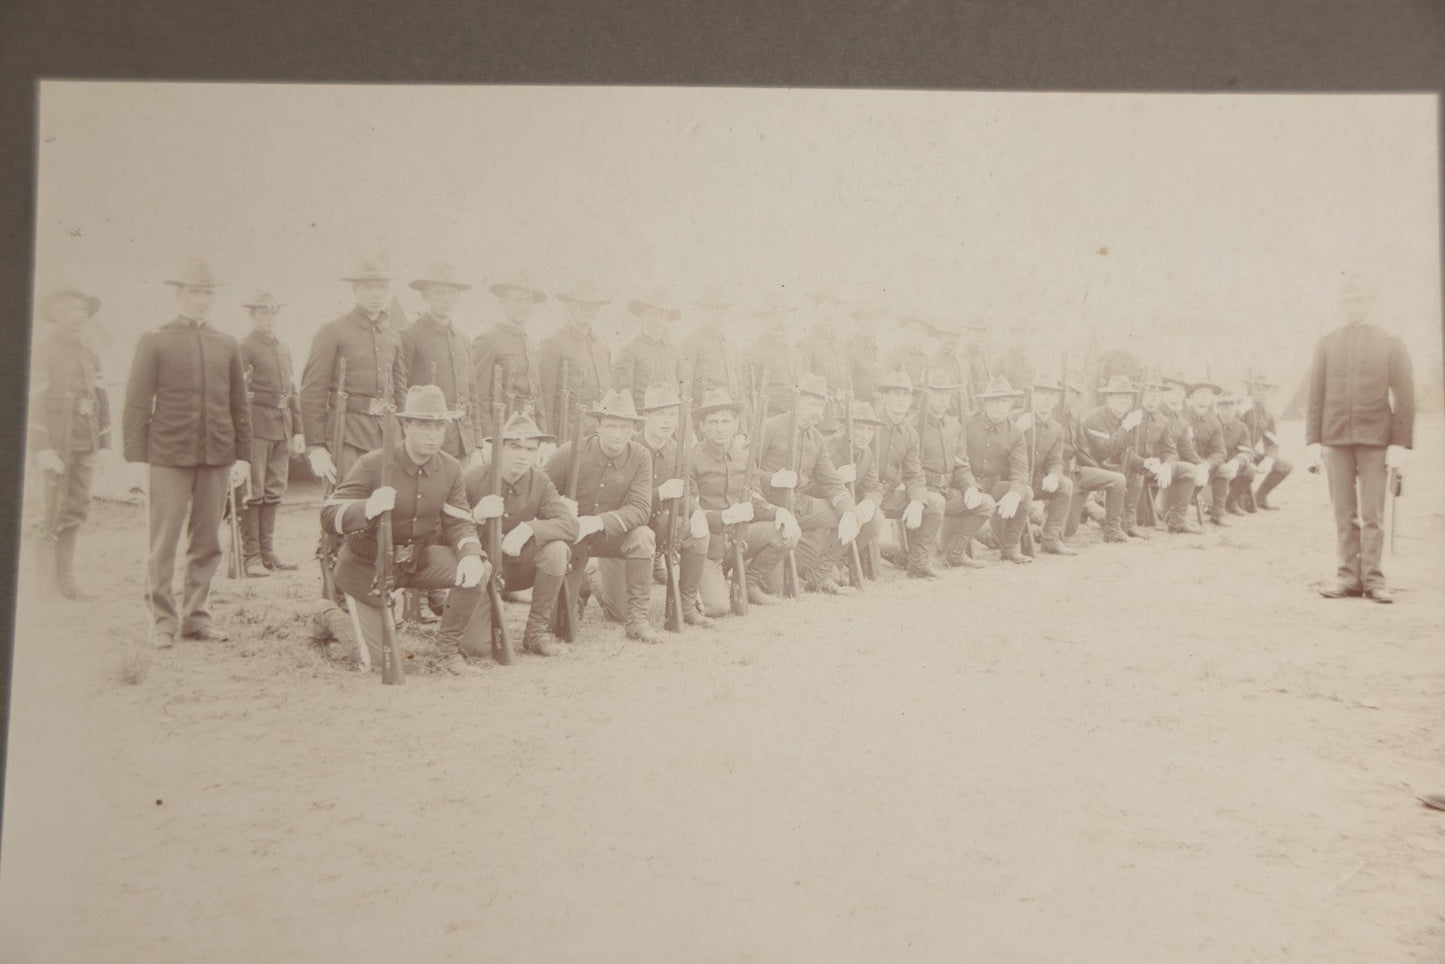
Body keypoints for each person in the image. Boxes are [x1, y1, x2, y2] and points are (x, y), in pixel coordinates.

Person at [123, 259, 252, 647]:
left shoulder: (227, 343)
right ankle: (163, 621)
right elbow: (137, 401)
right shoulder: (155, 340)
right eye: (195, 292)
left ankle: (196, 618)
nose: (202, 299)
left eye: (208, 293)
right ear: (180, 294)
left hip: (217, 455)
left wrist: (243, 456)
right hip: (168, 454)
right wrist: (136, 460)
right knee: (163, 541)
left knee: (208, 541)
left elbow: (239, 405)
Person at [320, 385, 488, 674]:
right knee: (376, 662)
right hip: (367, 567)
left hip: (415, 561)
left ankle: (447, 651)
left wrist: (471, 553)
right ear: (406, 425)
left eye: (439, 426)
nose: (433, 435)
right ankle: (326, 615)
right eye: (424, 425)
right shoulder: (373, 463)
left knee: (479, 568)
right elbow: (328, 513)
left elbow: (459, 521)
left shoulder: (450, 468)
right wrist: (367, 508)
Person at [1306, 274, 1415, 603]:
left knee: (1373, 515)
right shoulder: (1327, 342)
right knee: (1343, 513)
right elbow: (1315, 394)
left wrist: (1399, 443)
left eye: (1359, 300)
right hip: (1334, 437)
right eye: (1346, 301)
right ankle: (1347, 578)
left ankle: (1373, 580)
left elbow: (1405, 396)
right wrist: (1313, 441)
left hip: (1376, 438)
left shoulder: (1391, 341)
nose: (1352, 306)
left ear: (1369, 303)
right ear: (1340, 305)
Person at [458, 412, 579, 660]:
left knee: (557, 550)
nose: (523, 455)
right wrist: (475, 516)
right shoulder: (471, 478)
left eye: (530, 449)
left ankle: (536, 634)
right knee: (476, 648)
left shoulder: (540, 481)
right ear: (499, 448)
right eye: (515, 447)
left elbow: (570, 525)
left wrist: (530, 528)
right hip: (480, 571)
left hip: (518, 569)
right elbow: (443, 531)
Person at [543, 390, 660, 642]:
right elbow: (540, 491)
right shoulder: (569, 451)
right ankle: (580, 583)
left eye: (624, 427)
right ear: (598, 426)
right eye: (610, 426)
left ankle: (637, 619)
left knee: (643, 536)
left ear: (633, 429)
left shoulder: (640, 456)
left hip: (611, 536)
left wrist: (597, 522)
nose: (617, 434)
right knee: (558, 627)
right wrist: (559, 506)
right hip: (573, 541)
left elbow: (640, 508)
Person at [593, 383, 713, 626]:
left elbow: (686, 491)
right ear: (646, 416)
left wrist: (697, 512)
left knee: (698, 531)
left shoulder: (678, 451)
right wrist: (660, 493)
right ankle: (592, 576)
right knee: (621, 614)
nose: (667, 421)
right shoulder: (626, 446)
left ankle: (687, 605)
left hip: (657, 527)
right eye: (660, 414)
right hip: (623, 534)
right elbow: (618, 502)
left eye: (672, 414)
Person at [28, 285, 111, 599]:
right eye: (71, 310)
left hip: (84, 441)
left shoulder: (89, 350)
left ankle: (67, 581)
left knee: (76, 509)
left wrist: (105, 444)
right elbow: (33, 401)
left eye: (82, 311)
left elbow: (101, 398)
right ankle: (46, 586)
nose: (78, 317)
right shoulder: (44, 349)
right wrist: (42, 448)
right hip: (56, 444)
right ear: (57, 314)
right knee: (51, 511)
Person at [299, 255, 409, 488]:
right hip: (348, 435)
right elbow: (312, 391)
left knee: (389, 502)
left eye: (382, 287)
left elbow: (400, 391)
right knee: (348, 500)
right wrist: (316, 446)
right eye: (369, 287)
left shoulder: (392, 336)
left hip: (388, 435)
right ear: (355, 290)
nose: (376, 294)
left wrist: (405, 434)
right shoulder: (333, 331)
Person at [688, 389, 799, 613]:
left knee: (789, 531)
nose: (720, 428)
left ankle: (748, 583)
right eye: (713, 422)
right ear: (702, 426)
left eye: (726, 421)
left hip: (741, 537)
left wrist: (777, 511)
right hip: (707, 544)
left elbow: (755, 497)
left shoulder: (744, 457)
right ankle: (701, 580)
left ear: (736, 424)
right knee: (717, 609)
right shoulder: (690, 458)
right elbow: (690, 508)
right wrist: (723, 517)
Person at [754, 373, 859, 594]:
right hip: (768, 510)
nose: (818, 410)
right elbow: (743, 470)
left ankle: (818, 576)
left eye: (821, 405)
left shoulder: (817, 439)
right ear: (796, 400)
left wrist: (849, 512)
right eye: (812, 403)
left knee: (849, 514)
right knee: (775, 589)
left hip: (799, 505)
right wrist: (772, 479)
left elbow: (831, 481)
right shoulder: (770, 427)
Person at [238, 290, 306, 575]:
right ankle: (251, 556)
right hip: (256, 426)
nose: (270, 317)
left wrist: (298, 430)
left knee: (274, 489)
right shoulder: (245, 347)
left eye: (274, 312)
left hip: (281, 426)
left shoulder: (284, 348)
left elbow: (292, 392)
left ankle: (268, 553)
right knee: (253, 490)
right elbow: (238, 393)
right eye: (264, 312)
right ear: (252, 315)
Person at [399, 263, 486, 467]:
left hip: (463, 439)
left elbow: (472, 392)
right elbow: (401, 390)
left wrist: (477, 440)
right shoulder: (410, 336)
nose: (446, 299)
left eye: (452, 293)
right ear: (425, 296)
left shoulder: (462, 339)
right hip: (427, 438)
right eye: (439, 293)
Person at [917, 369, 993, 568]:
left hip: (946, 492)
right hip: (920, 495)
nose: (943, 399)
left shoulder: (954, 426)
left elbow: (960, 465)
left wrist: (970, 487)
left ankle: (954, 553)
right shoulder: (914, 425)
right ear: (927, 395)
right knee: (907, 556)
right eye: (937, 393)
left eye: (946, 393)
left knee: (985, 503)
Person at [872, 370, 945, 578]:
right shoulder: (871, 423)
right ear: (885, 397)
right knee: (869, 569)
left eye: (905, 395)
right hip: (863, 496)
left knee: (935, 502)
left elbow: (914, 474)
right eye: (896, 394)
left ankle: (918, 563)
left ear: (911, 400)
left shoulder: (911, 434)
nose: (901, 400)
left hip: (888, 496)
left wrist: (917, 501)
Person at [812, 399, 883, 585]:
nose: (865, 434)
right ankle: (822, 567)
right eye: (859, 427)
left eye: (870, 429)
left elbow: (873, 488)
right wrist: (837, 478)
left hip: (846, 512)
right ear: (845, 427)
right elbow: (806, 487)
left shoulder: (866, 454)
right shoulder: (826, 447)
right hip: (823, 510)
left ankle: (839, 561)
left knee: (876, 517)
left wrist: (869, 503)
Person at [963, 376, 1033, 563]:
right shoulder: (967, 422)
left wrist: (1015, 493)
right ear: (985, 402)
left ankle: (1009, 548)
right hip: (963, 486)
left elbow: (1020, 470)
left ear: (1011, 404)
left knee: (1025, 492)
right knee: (946, 546)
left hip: (990, 487)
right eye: (994, 400)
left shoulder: (1015, 433)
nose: (999, 406)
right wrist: (968, 486)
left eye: (1005, 401)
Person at [472, 271, 547, 435]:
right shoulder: (488, 340)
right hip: (503, 427)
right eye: (518, 300)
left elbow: (537, 396)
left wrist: (543, 433)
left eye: (528, 301)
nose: (524, 306)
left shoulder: (529, 342)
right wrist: (488, 438)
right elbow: (478, 397)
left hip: (529, 428)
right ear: (503, 301)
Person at [1076, 375, 1144, 543]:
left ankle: (1126, 523)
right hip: (1085, 468)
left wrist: (1144, 463)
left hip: (1103, 467)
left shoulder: (1123, 419)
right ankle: (1092, 509)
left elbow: (1124, 452)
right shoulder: (1096, 418)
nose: (1125, 401)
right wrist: (1126, 427)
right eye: (1120, 396)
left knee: (1137, 471)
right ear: (1109, 398)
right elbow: (1106, 449)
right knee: (1069, 529)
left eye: (1128, 397)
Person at [539, 278, 612, 431]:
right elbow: (545, 399)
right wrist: (548, 437)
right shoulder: (553, 343)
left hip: (600, 429)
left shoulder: (602, 343)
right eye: (581, 304)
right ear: (569, 306)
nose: (587, 309)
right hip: (568, 430)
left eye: (592, 305)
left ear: (598, 309)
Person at [1016, 377, 1078, 554]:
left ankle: (1050, 539)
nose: (1047, 399)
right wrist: (1017, 430)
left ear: (1057, 400)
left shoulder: (1057, 429)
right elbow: (998, 450)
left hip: (1034, 482)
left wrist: (1053, 475)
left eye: (1052, 395)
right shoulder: (1016, 418)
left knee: (1065, 485)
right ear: (1033, 396)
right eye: (1043, 393)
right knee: (996, 540)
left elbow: (1056, 461)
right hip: (1009, 482)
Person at [612, 288, 684, 412]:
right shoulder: (628, 351)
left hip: (672, 416)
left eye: (663, 315)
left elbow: (681, 388)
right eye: (653, 314)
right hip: (644, 416)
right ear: (641, 316)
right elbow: (624, 395)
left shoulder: (674, 351)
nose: (658, 320)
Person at [742, 296, 805, 415]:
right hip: (766, 417)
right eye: (774, 317)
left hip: (793, 416)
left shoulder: (793, 353)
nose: (780, 323)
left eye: (784, 317)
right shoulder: (751, 351)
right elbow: (745, 394)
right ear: (762, 321)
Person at [800, 290, 851, 431]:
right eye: (826, 309)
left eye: (834, 309)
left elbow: (847, 381)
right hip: (820, 409)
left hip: (841, 408)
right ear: (815, 312)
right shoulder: (807, 341)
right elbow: (803, 376)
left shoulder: (840, 344)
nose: (831, 314)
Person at [1240, 375, 1292, 510]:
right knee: (1244, 506)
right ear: (1251, 389)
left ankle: (1259, 498)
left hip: (1252, 453)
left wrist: (1269, 458)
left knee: (1284, 467)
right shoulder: (1240, 409)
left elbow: (1272, 441)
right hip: (1235, 453)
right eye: (1257, 388)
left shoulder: (1267, 415)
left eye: (1265, 389)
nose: (1261, 392)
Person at [1214, 393, 1258, 515]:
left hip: (1231, 466)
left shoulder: (1241, 427)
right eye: (1224, 406)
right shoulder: (1211, 422)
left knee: (1250, 470)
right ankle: (1213, 503)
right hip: (1213, 465)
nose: (1228, 410)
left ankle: (1230, 501)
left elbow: (1248, 451)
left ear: (1235, 408)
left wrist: (1236, 462)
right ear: (1217, 407)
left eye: (1231, 406)